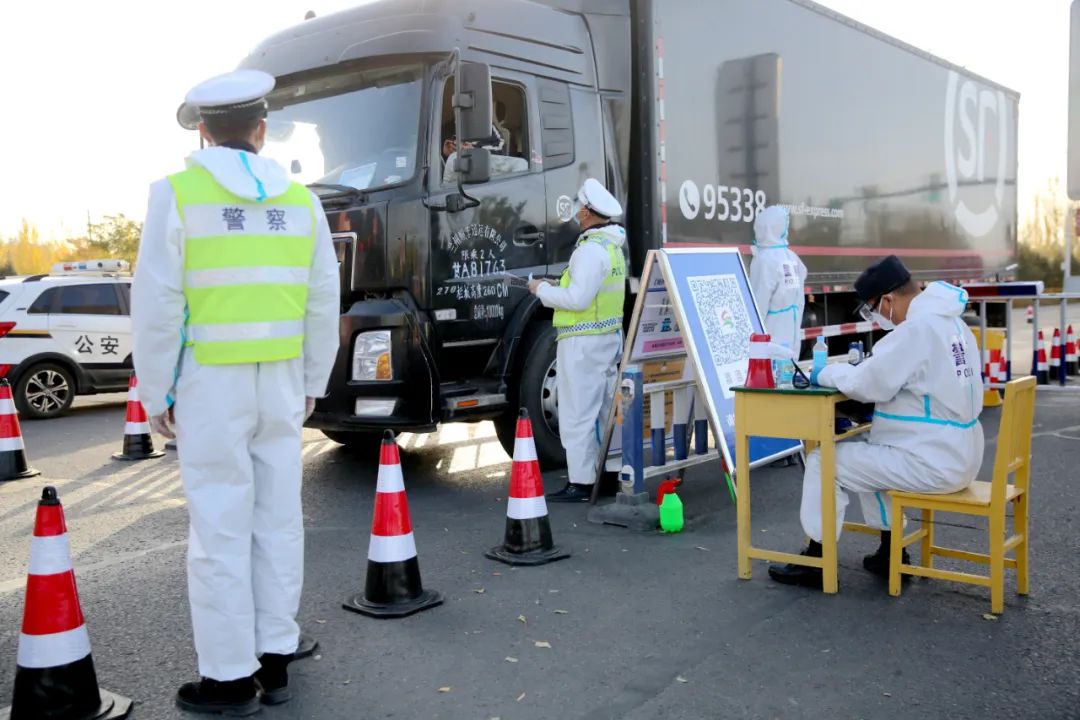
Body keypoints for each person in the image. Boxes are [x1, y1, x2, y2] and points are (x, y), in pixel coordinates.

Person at [131, 69, 340, 714]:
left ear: (201, 131)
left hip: (208, 382)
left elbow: (159, 303)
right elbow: (321, 299)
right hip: (279, 378)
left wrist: (158, 391)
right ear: (262, 130)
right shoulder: (303, 202)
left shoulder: (176, 193)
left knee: (220, 526)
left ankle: (227, 677)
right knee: (277, 519)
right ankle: (275, 657)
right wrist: (311, 379)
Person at [768, 255, 984, 588]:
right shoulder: (954, 325)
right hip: (959, 453)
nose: (877, 317)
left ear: (888, 299)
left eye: (873, 309)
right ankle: (891, 552)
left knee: (823, 461)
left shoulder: (917, 329)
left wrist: (824, 372)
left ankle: (815, 560)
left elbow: (867, 384)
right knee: (871, 454)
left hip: (933, 460)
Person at [528, 178, 626, 502]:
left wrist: (542, 290)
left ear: (586, 211)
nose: (575, 210)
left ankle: (581, 482)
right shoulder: (612, 248)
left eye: (578, 205)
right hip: (606, 338)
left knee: (577, 414)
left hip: (582, 342)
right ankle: (609, 476)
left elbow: (577, 299)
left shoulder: (589, 251)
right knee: (604, 411)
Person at [748, 206, 807, 353]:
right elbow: (799, 298)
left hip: (771, 335)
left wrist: (750, 337)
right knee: (787, 372)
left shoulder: (764, 260)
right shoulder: (792, 257)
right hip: (791, 335)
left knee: (771, 373)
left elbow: (757, 305)